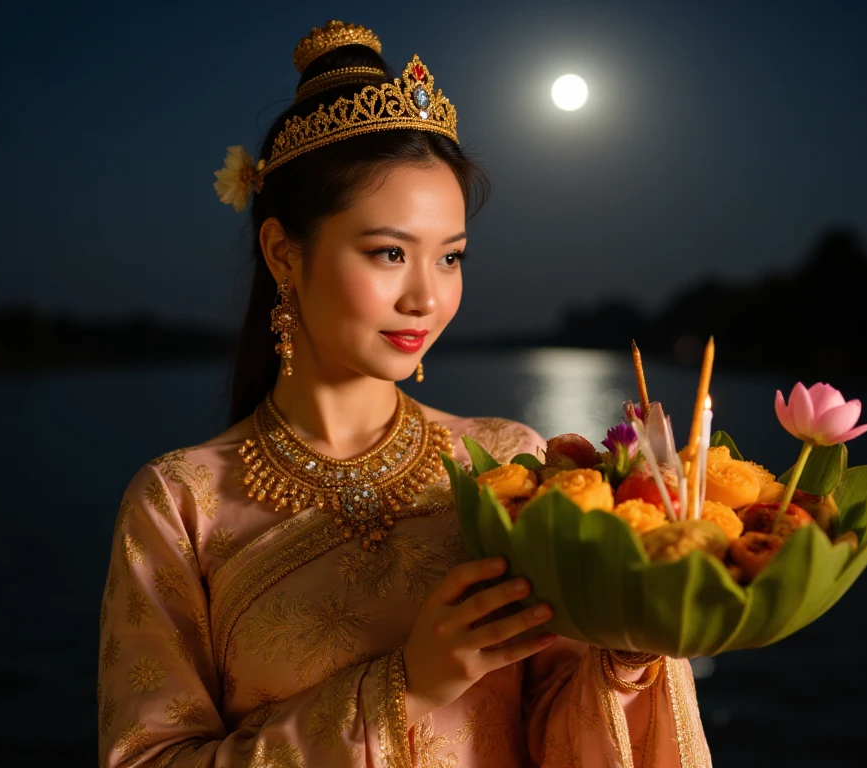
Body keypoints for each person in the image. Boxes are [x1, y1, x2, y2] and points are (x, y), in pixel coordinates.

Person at [97, 20, 711, 767]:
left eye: (450, 257)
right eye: (389, 253)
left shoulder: (505, 463)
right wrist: (406, 689)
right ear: (284, 253)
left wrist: (627, 654)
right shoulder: (180, 503)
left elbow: (564, 725)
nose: (428, 296)